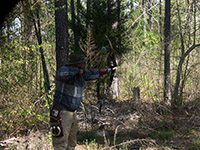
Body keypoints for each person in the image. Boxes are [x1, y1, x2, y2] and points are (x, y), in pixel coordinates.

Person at [50, 53, 117, 150]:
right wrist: (78, 71)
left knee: (71, 143)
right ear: (76, 64)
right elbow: (62, 73)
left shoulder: (81, 74)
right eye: (82, 63)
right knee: (60, 144)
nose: (84, 65)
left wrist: (109, 69)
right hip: (61, 113)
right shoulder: (64, 71)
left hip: (72, 113)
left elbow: (95, 73)